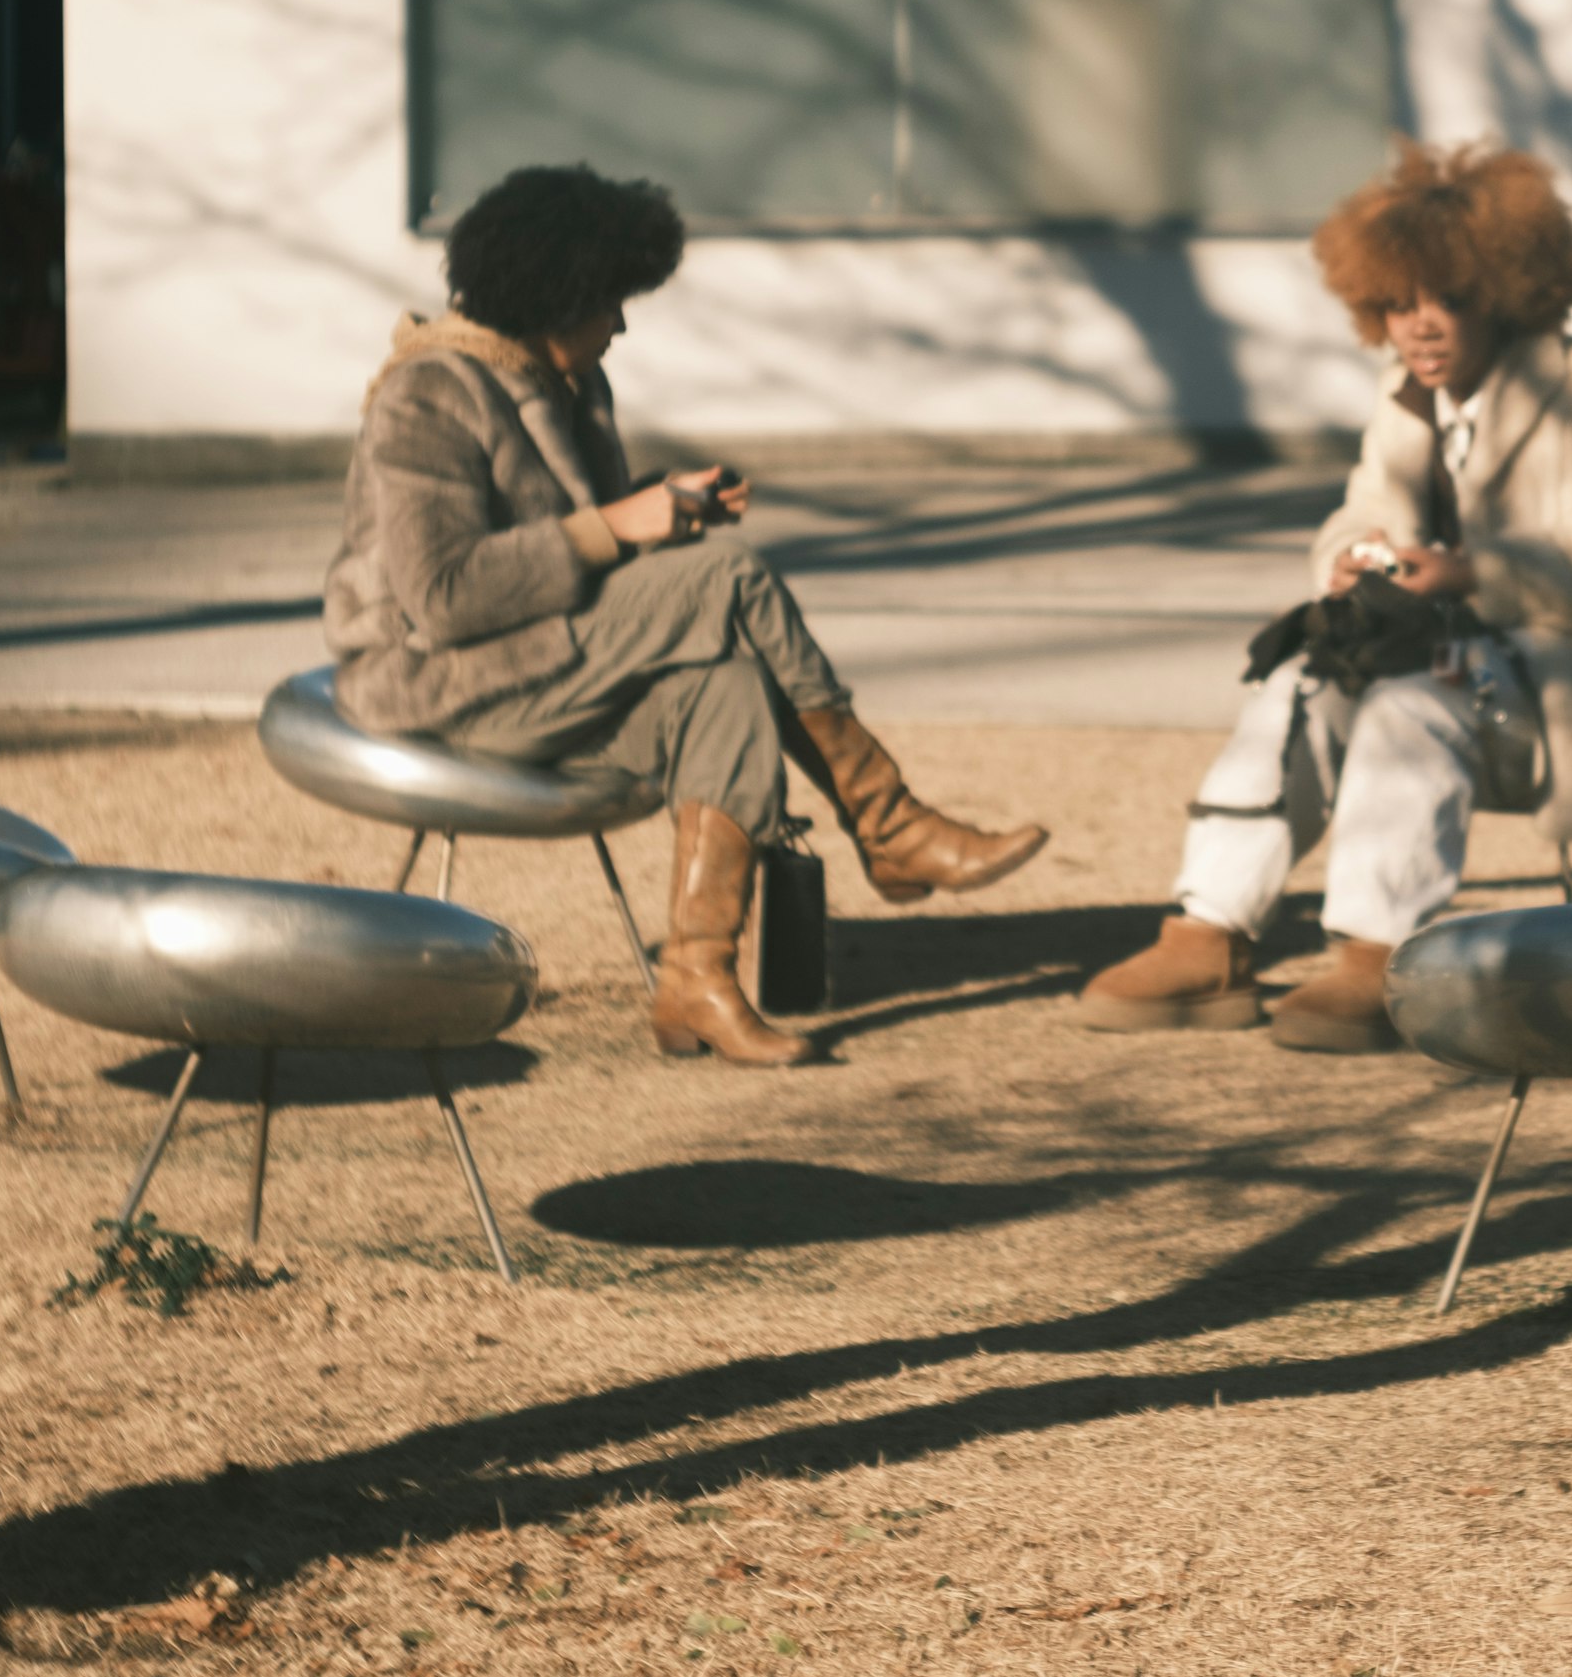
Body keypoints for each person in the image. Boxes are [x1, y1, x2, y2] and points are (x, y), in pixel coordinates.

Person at [323, 164, 1045, 1067]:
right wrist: (619, 525)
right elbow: (445, 596)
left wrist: (662, 510)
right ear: (559, 295)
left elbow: (580, 545)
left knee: (729, 684)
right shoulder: (427, 393)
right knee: (728, 577)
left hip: (548, 663)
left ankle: (697, 980)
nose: (621, 323)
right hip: (442, 681)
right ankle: (887, 823)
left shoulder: (571, 384)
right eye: (612, 301)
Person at [1076, 141, 1572, 1051]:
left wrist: (1475, 572)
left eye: (1448, 299)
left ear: (1510, 291)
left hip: (1568, 689)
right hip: (1452, 667)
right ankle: (1208, 934)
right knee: (1295, 685)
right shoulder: (1405, 397)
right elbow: (1361, 506)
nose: (1420, 327)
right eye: (1398, 304)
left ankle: (1381, 955)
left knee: (1414, 701)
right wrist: (1353, 553)